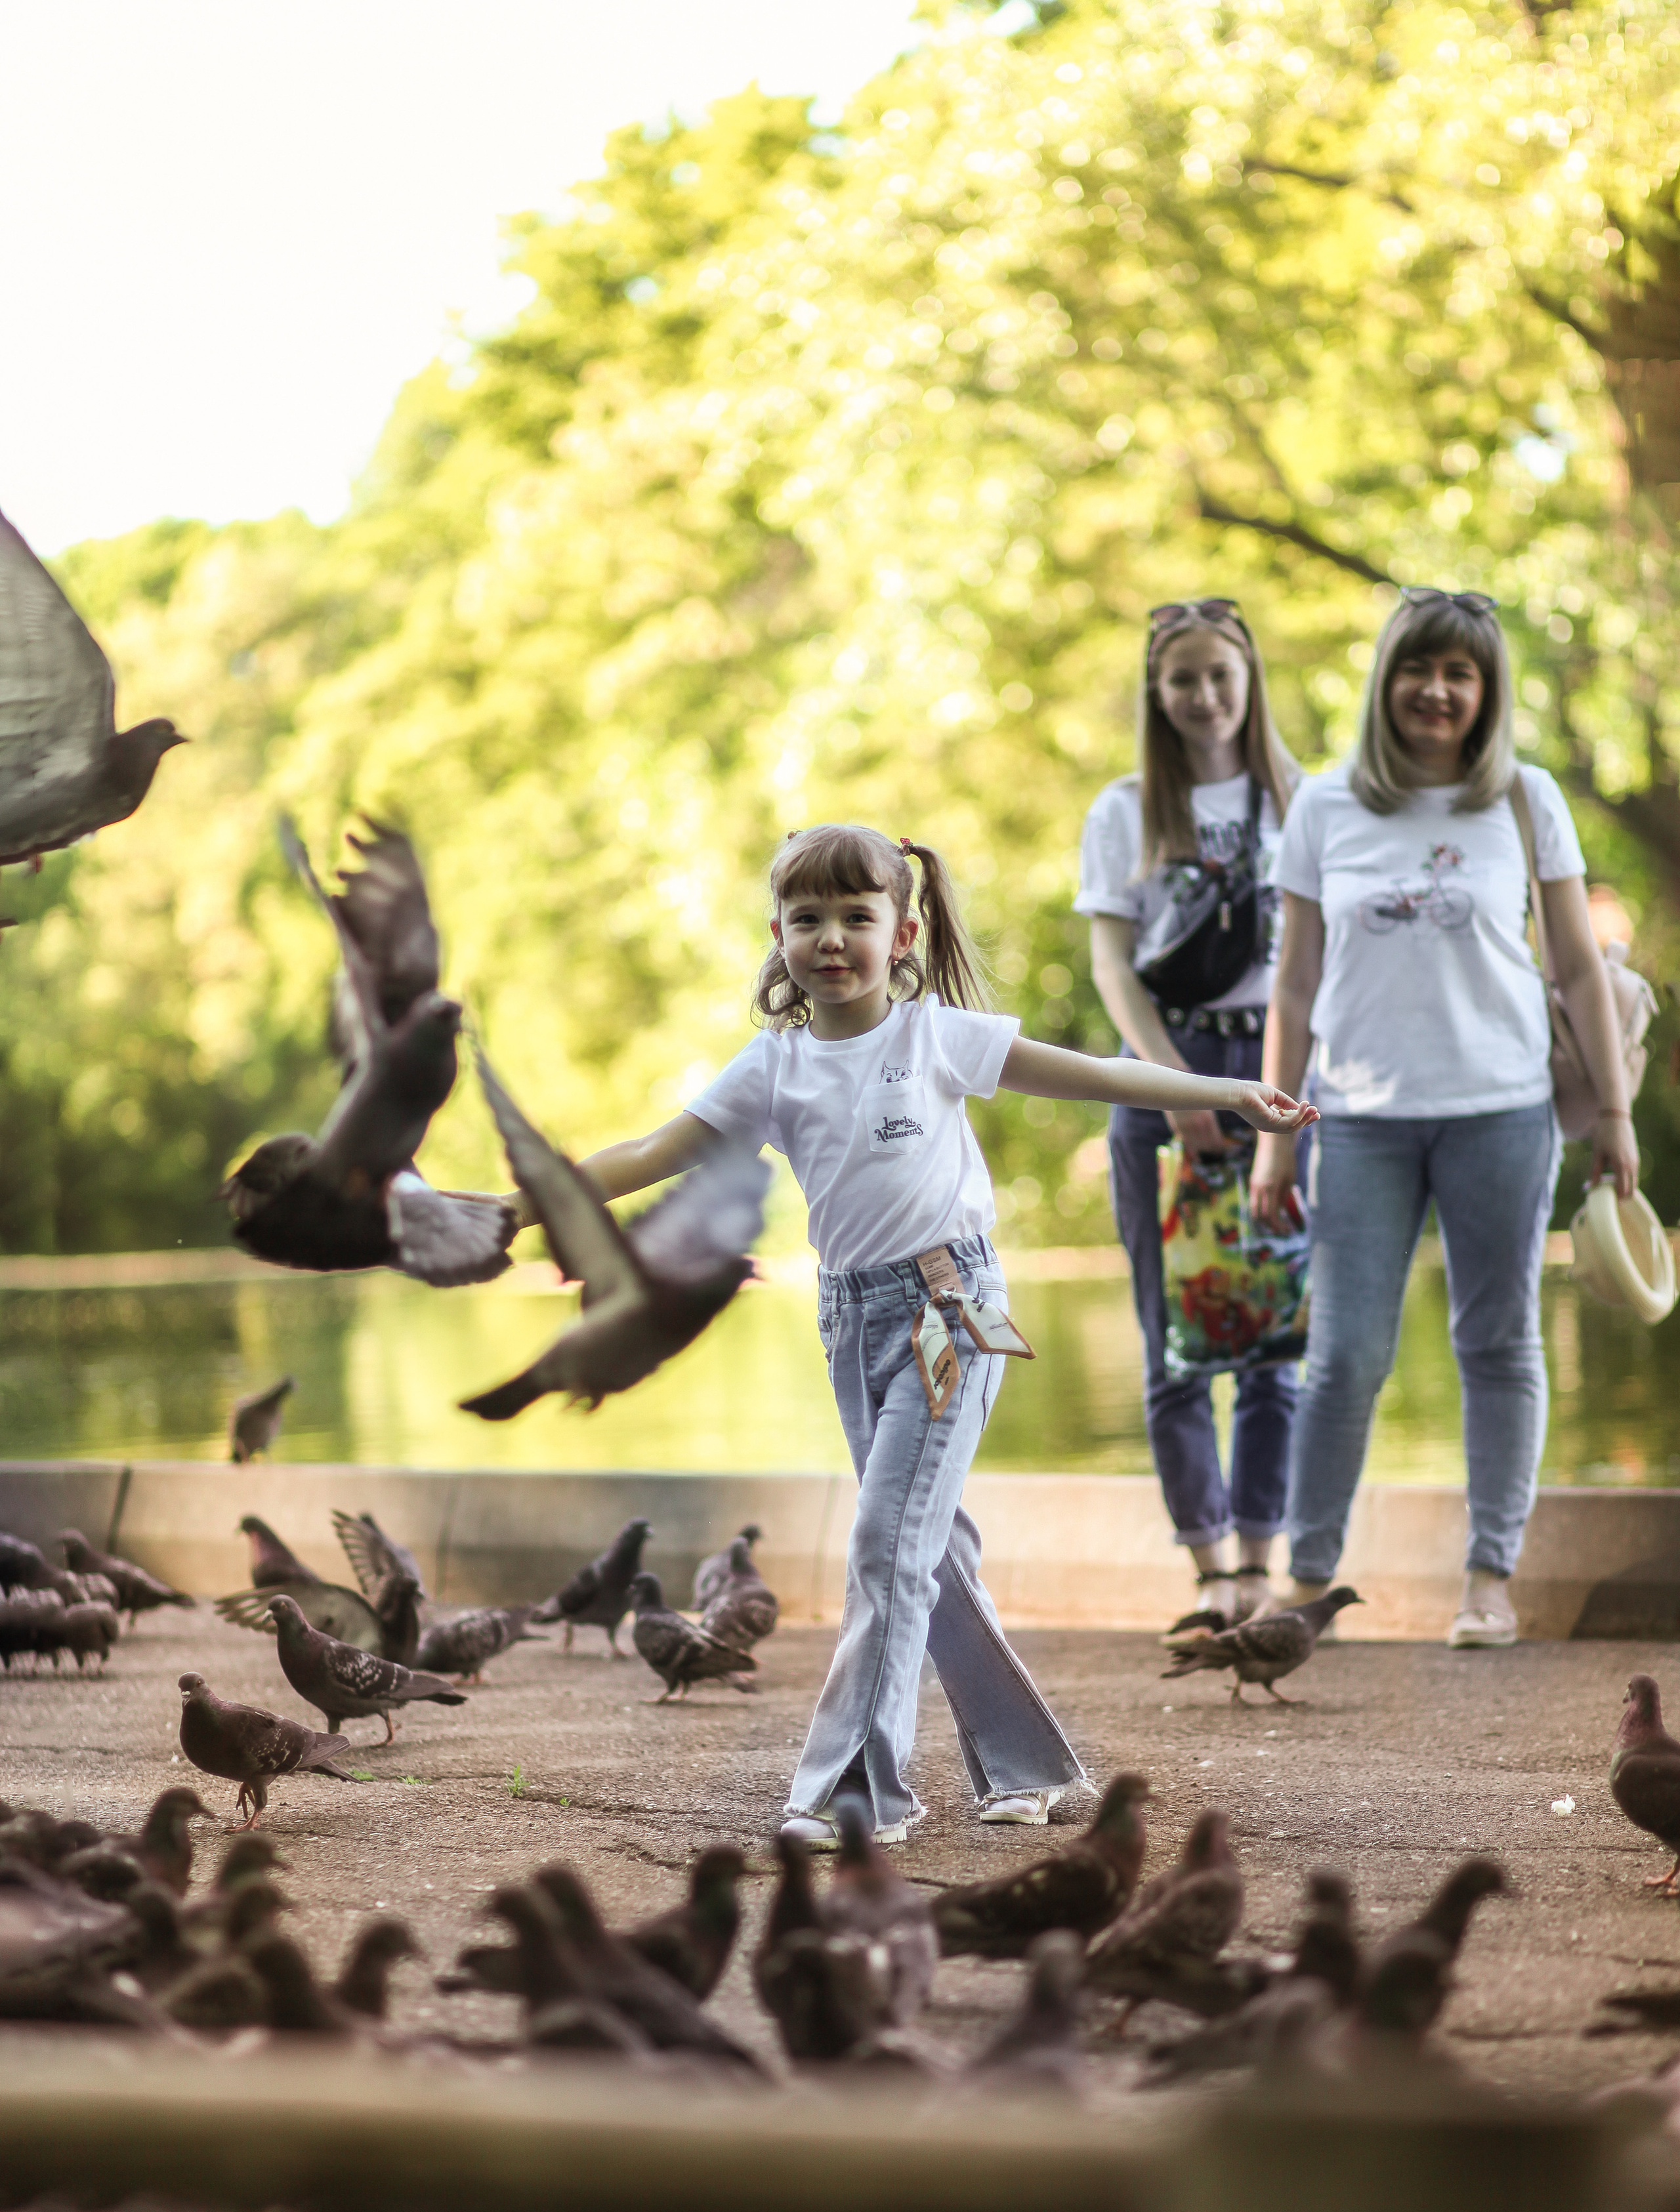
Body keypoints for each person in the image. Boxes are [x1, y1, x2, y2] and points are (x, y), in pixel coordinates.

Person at [581, 824, 1315, 1844]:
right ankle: (1023, 1768)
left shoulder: (936, 1038)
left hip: (950, 1310)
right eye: (807, 920)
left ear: (903, 930)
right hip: (848, 1322)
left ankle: (855, 1796)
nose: (830, 939)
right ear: (777, 936)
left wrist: (1227, 1092)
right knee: (930, 1554)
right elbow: (654, 1150)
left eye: (855, 917)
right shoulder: (774, 1067)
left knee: (887, 1545)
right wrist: (515, 1207)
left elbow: (1095, 1074)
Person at [1250, 589, 1638, 1649]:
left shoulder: (1524, 798)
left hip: (1502, 1113)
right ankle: (1309, 1579)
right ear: (1388, 679)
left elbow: (1575, 967)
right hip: (1363, 1119)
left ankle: (1488, 1581)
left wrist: (1614, 1110)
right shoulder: (1326, 805)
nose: (1437, 690)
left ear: (1486, 690)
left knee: (1500, 1344)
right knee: (1344, 1359)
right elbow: (1293, 985)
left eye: (1460, 673)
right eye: (1420, 668)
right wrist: (1277, 1135)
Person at [1078, 599, 1303, 1627]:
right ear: (1156, 694)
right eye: (1183, 680)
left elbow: (1321, 961)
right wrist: (1173, 1090)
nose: (1204, 697)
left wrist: (1269, 1090)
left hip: (1278, 1059)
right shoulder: (1125, 809)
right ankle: (1208, 1568)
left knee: (1275, 1324)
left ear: (1249, 679)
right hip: (1161, 1066)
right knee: (1171, 1328)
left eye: (1221, 675)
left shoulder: (1301, 799)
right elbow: (1113, 971)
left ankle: (1263, 1558)